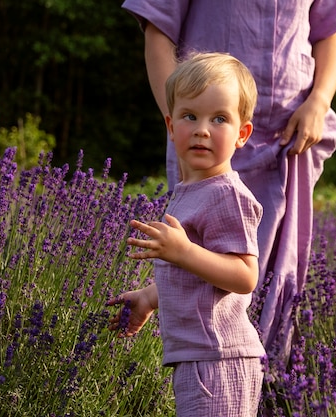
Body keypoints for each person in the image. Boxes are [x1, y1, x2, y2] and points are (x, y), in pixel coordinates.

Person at [120, 0, 336, 365]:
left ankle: (271, 383)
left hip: (289, 137)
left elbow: (328, 32)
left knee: (274, 272)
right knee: (202, 248)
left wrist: (319, 100)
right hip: (212, 135)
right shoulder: (200, 138)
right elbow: (158, 30)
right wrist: (181, 119)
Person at [108, 52, 265, 417]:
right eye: (190, 116)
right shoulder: (190, 191)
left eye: (220, 119)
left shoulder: (227, 193)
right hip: (199, 357)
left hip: (220, 358)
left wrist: (183, 252)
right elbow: (199, 280)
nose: (202, 129)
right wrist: (150, 296)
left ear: (242, 133)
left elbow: (244, 276)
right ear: (170, 124)